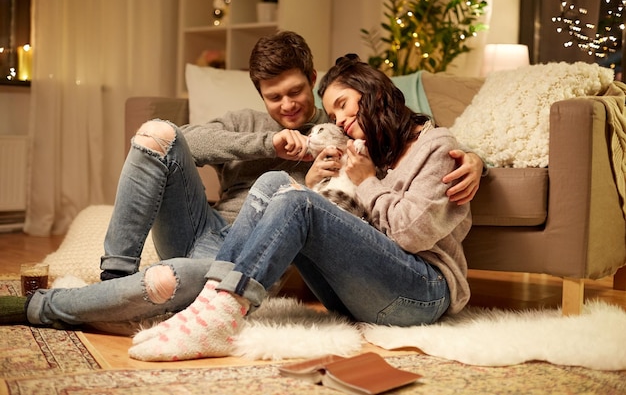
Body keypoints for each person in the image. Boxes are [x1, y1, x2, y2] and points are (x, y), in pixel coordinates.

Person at [0, 35, 480, 343]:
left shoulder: (344, 141)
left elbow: (384, 205)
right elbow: (187, 142)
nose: (290, 105)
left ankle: (59, 307)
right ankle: (118, 284)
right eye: (274, 97)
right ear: (259, 96)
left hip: (256, 257)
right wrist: (267, 143)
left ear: (312, 84)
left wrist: (321, 179)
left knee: (180, 272)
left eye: (298, 93)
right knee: (159, 134)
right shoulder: (260, 126)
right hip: (216, 235)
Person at [125, 53, 472, 361]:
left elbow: (410, 235)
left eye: (343, 104)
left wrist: (368, 180)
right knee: (275, 183)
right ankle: (210, 306)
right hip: (362, 296)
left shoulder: (437, 147)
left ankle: (218, 316)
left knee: (299, 203)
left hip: (422, 294)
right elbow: (361, 228)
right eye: (333, 113)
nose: (338, 120)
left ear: (373, 92)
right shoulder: (375, 150)